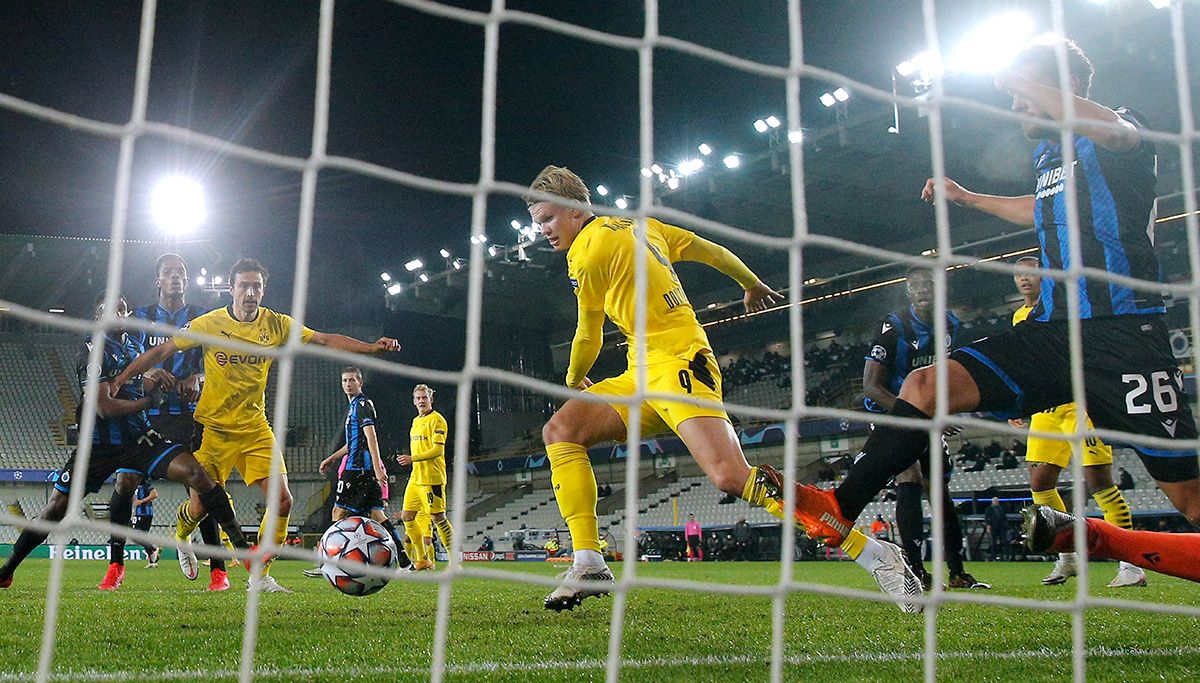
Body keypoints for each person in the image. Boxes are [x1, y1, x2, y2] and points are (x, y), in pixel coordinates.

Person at [789, 38, 1200, 596]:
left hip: (1124, 335)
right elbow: (1042, 209)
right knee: (926, 384)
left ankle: (1110, 542)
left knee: (1190, 498)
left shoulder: (1122, 126)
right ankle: (840, 506)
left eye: (1026, 92)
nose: (1016, 105)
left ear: (1066, 88)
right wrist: (970, 197)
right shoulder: (1050, 155)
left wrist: (1016, 76)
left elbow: (1115, 133)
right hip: (1053, 330)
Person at [526, 165, 920, 612]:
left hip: (677, 365)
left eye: (549, 219)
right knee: (562, 431)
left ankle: (873, 554)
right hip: (644, 370)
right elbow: (707, 249)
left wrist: (575, 378)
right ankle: (589, 560)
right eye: (538, 222)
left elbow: (588, 335)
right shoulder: (642, 225)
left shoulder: (587, 252)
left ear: (577, 211)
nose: (543, 230)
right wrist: (749, 282)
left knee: (731, 476)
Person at [111, 258, 400, 593]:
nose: (250, 292)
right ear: (231, 289)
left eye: (257, 286)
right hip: (212, 429)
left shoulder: (276, 325)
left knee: (283, 501)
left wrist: (371, 348)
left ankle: (259, 576)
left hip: (254, 428)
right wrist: (122, 377)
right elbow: (162, 349)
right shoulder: (210, 323)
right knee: (201, 506)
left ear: (263, 290)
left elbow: (321, 339)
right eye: (244, 285)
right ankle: (181, 534)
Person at [0, 294, 250, 591]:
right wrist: (147, 400)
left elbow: (141, 373)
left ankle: (243, 549)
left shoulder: (133, 346)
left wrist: (157, 377)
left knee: (198, 475)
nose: (120, 314)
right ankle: (7, 570)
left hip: (139, 438)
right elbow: (103, 406)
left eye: (124, 309)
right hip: (98, 447)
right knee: (55, 509)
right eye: (112, 310)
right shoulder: (92, 350)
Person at [1010, 254, 1147, 588]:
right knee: (1040, 484)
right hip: (1045, 410)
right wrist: (1019, 402)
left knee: (1099, 483)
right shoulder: (1018, 316)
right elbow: (1028, 365)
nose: (1025, 280)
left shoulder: (1065, 307)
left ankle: (1131, 564)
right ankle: (1067, 558)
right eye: (1019, 276)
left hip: (1079, 405)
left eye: (1032, 274)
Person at [862, 266, 987, 590]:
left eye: (928, 284)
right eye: (915, 286)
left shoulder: (951, 324)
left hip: (928, 412)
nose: (922, 290)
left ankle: (958, 572)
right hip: (893, 412)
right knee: (910, 476)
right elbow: (871, 386)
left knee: (938, 489)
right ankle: (916, 571)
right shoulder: (895, 326)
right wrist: (919, 414)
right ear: (907, 292)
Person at [305, 367, 407, 577]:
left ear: (360, 382)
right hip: (363, 467)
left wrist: (378, 467)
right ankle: (405, 561)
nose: (348, 384)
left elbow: (371, 437)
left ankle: (328, 562)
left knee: (338, 512)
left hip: (357, 468)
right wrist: (332, 458)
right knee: (378, 515)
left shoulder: (361, 405)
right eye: (344, 380)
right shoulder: (356, 406)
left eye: (352, 380)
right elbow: (354, 442)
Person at [396, 384, 454, 572]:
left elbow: (438, 450)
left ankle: (454, 562)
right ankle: (422, 559)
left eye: (424, 398)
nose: (421, 401)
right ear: (414, 401)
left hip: (432, 478)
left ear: (431, 399)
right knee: (407, 516)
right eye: (418, 398)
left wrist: (412, 458)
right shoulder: (415, 421)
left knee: (439, 518)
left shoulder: (437, 420)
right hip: (416, 478)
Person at [131, 479, 160, 568]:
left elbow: (154, 494)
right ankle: (152, 561)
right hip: (139, 513)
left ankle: (153, 548)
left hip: (145, 513)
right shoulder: (136, 484)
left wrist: (142, 501)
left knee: (135, 536)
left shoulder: (145, 483)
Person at [983, 497, 1010, 561]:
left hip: (1002, 527)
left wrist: (1006, 525)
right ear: (992, 502)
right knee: (993, 542)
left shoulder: (1001, 508)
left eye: (997, 501)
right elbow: (987, 518)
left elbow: (1004, 517)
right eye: (995, 501)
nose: (996, 502)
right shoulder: (989, 509)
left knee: (1004, 541)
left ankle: (1006, 556)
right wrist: (988, 525)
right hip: (994, 527)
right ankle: (994, 557)